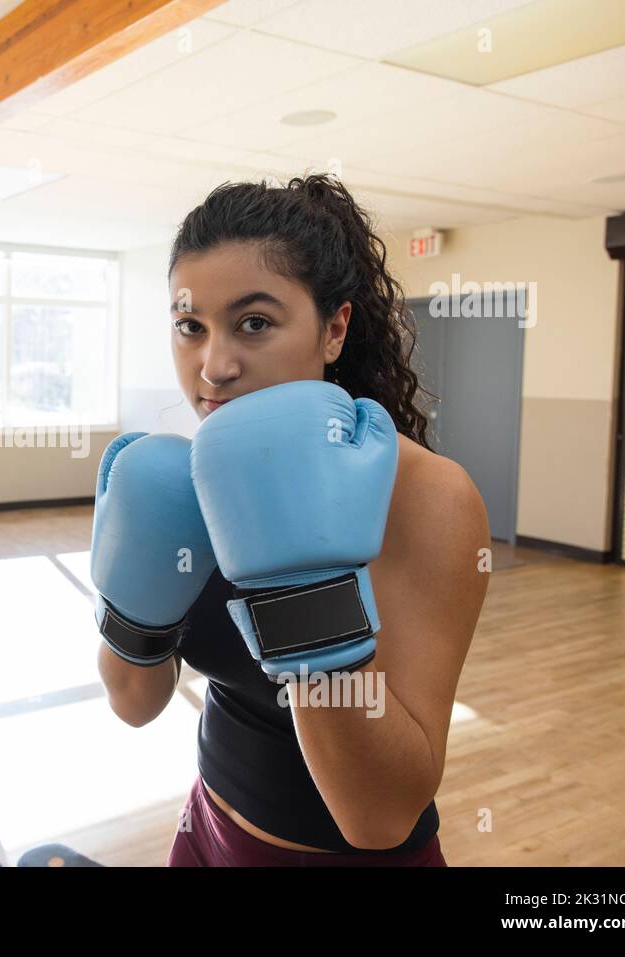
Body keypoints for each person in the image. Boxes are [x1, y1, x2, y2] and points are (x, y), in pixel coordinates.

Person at [90, 174, 490, 866]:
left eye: (254, 323)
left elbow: (379, 815)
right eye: (191, 326)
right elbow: (133, 702)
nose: (213, 366)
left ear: (334, 328)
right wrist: (135, 612)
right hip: (208, 830)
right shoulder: (187, 480)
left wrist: (302, 589)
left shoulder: (429, 496)